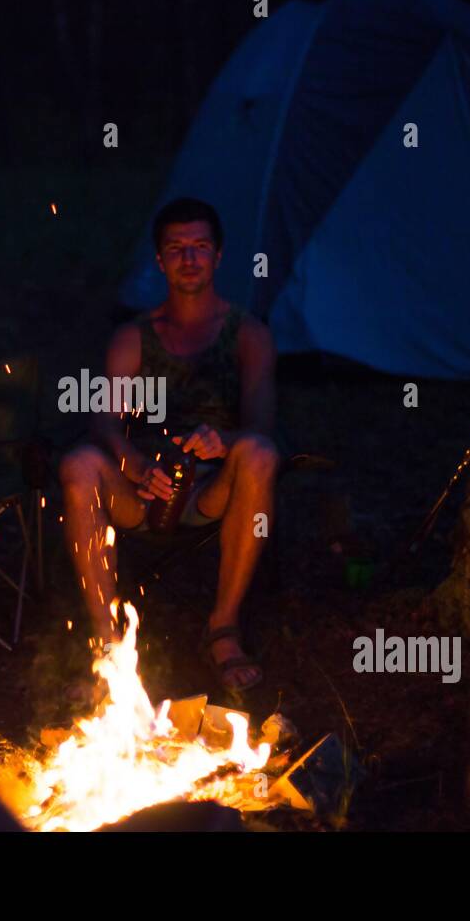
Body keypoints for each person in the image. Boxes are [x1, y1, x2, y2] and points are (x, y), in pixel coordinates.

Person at [59, 198, 278, 692]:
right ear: (159, 260)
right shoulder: (134, 337)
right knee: (78, 463)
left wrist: (225, 440)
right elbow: (103, 419)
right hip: (144, 489)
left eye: (200, 247)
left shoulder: (247, 335)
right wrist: (134, 464)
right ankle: (106, 641)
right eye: (177, 248)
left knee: (260, 455)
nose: (189, 259)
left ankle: (223, 628)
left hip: (211, 490)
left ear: (219, 255)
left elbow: (263, 427)